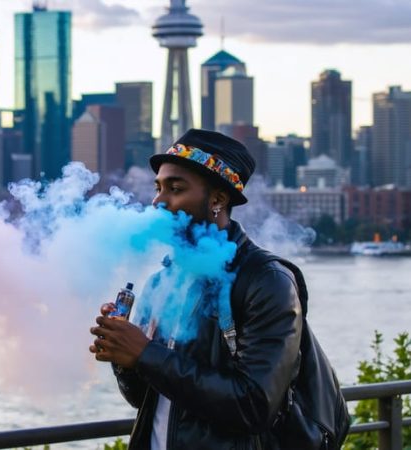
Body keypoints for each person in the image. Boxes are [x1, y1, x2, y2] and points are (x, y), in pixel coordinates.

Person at [90, 129, 303, 449]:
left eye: (175, 189)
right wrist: (123, 355)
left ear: (218, 199)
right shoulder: (161, 282)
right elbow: (143, 398)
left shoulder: (265, 281)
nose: (159, 201)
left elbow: (255, 406)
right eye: (158, 188)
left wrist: (146, 353)